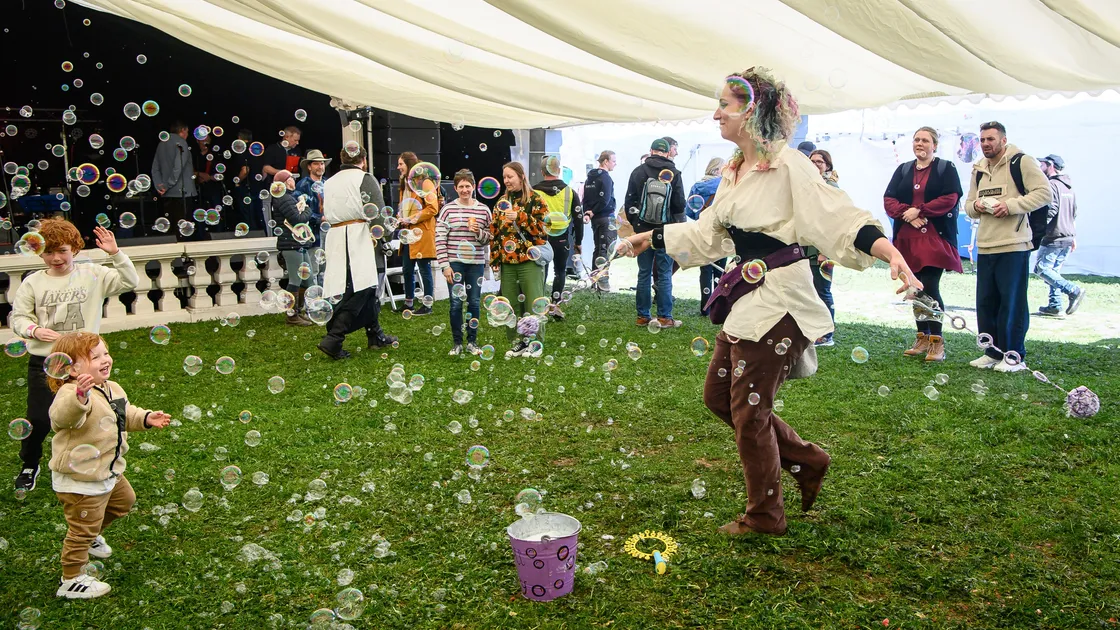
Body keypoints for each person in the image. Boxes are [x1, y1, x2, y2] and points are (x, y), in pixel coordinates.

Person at [624, 68, 920, 536]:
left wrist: (890, 253)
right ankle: (807, 459)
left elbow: (838, 217)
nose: (716, 111)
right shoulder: (734, 169)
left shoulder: (790, 165)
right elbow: (710, 235)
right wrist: (652, 237)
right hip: (748, 296)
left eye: (726, 103)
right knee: (719, 397)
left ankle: (765, 516)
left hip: (781, 299)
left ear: (754, 111)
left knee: (749, 410)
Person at [9, 220, 139, 493]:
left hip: (85, 364)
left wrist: (115, 253)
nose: (56, 258)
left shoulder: (93, 274)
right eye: (48, 252)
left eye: (63, 250)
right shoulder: (33, 282)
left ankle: (93, 462)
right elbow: (19, 318)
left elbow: (129, 281)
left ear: (76, 249)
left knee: (90, 414)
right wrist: (33, 330)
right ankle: (30, 464)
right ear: (39, 253)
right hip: (46, 362)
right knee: (39, 418)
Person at [47, 331, 171, 599]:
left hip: (108, 470)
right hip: (80, 477)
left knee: (123, 501)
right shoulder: (72, 394)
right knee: (81, 529)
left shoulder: (112, 387)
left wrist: (147, 418)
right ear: (71, 367)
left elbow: (124, 413)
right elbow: (61, 418)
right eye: (95, 356)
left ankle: (92, 534)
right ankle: (71, 579)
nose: (105, 359)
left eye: (105, 353)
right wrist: (80, 395)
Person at [963, 121, 1050, 372]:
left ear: (1003, 140)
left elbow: (1044, 193)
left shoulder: (1021, 161)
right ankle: (992, 352)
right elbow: (967, 205)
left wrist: (1010, 206)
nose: (986, 144)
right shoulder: (978, 169)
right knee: (986, 302)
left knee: (1011, 303)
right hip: (987, 245)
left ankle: (1014, 356)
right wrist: (977, 207)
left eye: (991, 139)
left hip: (1014, 244)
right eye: (982, 140)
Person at [884, 127, 964, 362]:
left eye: (925, 140)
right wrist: (906, 214)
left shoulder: (945, 168)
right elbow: (889, 199)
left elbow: (951, 197)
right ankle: (922, 336)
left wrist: (920, 210)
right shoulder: (904, 169)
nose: (920, 143)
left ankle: (937, 342)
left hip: (933, 238)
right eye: (917, 139)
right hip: (907, 239)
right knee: (915, 288)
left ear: (934, 145)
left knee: (930, 286)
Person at [317, 146, 397, 359]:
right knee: (363, 288)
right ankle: (334, 337)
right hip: (359, 236)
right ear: (364, 159)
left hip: (335, 237)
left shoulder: (330, 181)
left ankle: (375, 335)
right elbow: (377, 213)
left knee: (362, 288)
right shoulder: (364, 178)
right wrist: (387, 237)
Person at [625, 138, 686, 328]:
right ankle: (664, 317)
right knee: (664, 272)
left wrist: (637, 224)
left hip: (642, 228)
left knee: (644, 272)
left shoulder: (638, 171)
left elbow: (629, 202)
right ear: (668, 153)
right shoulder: (674, 173)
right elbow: (679, 204)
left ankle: (643, 316)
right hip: (665, 231)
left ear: (651, 151)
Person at [490, 161, 549, 358]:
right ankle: (518, 343)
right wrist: (495, 261)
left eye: (510, 177)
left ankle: (535, 344)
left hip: (529, 261)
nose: (506, 181)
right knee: (512, 305)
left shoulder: (535, 200)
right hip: (508, 263)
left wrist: (521, 217)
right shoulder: (500, 203)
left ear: (521, 176)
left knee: (533, 302)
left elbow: (544, 230)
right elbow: (495, 234)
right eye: (504, 177)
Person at [436, 169, 492, 356]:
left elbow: (489, 238)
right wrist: (445, 266)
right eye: (461, 186)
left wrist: (478, 232)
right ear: (455, 188)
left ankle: (472, 342)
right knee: (456, 304)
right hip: (455, 263)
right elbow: (440, 239)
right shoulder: (448, 210)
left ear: (474, 187)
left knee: (474, 302)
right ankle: (457, 342)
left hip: (475, 264)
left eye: (468, 186)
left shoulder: (483, 210)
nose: (465, 190)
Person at [1033, 154, 1086, 316]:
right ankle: (1055, 305)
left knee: (1041, 269)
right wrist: (1073, 237)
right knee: (1053, 271)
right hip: (1067, 236)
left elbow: (1050, 210)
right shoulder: (1069, 186)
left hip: (1053, 237)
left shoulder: (1051, 185)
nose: (1040, 168)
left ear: (1050, 166)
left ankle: (1073, 290)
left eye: (1042, 165)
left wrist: (1036, 231)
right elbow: (1073, 213)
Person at [533, 155, 583, 320]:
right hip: (562, 238)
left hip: (540, 238)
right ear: (559, 171)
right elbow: (578, 219)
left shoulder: (534, 191)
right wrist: (579, 242)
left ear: (542, 171)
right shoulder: (570, 191)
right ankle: (555, 305)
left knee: (542, 271)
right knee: (560, 271)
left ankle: (540, 305)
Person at [270, 170, 316, 326]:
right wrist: (308, 209)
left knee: (307, 279)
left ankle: (298, 311)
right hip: (290, 244)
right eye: (291, 178)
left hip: (297, 243)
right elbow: (298, 219)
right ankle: (292, 316)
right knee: (296, 279)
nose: (293, 181)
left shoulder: (287, 198)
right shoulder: (284, 198)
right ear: (285, 181)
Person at [396, 152, 438, 316]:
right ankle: (409, 303)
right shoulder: (405, 183)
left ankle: (427, 304)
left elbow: (433, 208)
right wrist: (401, 216)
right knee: (407, 268)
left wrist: (412, 219)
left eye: (401, 164)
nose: (398, 167)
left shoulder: (425, 183)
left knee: (423, 268)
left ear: (409, 164)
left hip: (421, 233)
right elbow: (406, 206)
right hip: (408, 233)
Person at [806, 149, 840, 346]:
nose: (816, 164)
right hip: (806, 247)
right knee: (809, 290)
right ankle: (814, 329)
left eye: (820, 162)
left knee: (822, 290)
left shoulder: (831, 187)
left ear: (828, 165)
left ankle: (827, 334)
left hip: (822, 250)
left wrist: (824, 251)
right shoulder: (808, 185)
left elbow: (832, 222)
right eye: (812, 161)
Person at [687, 157, 726, 316]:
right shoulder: (724, 186)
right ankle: (719, 305)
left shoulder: (697, 186)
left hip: (702, 232)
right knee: (721, 270)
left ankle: (705, 306)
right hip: (721, 233)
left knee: (706, 269)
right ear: (717, 170)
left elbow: (690, 211)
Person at [151, 121, 198, 242]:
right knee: (184, 229)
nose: (187, 135)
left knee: (170, 228)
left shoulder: (161, 143)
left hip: (166, 193)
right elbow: (178, 167)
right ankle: (185, 258)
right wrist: (168, 185)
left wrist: (159, 186)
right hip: (183, 192)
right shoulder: (181, 143)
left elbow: (155, 168)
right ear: (182, 130)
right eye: (187, 132)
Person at [583, 150, 618, 290]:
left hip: (595, 219)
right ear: (605, 161)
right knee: (606, 250)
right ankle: (602, 283)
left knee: (598, 249)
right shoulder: (606, 178)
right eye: (613, 161)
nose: (615, 164)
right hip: (606, 217)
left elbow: (585, 198)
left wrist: (589, 212)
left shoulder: (590, 178)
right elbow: (605, 199)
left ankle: (594, 281)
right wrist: (594, 211)